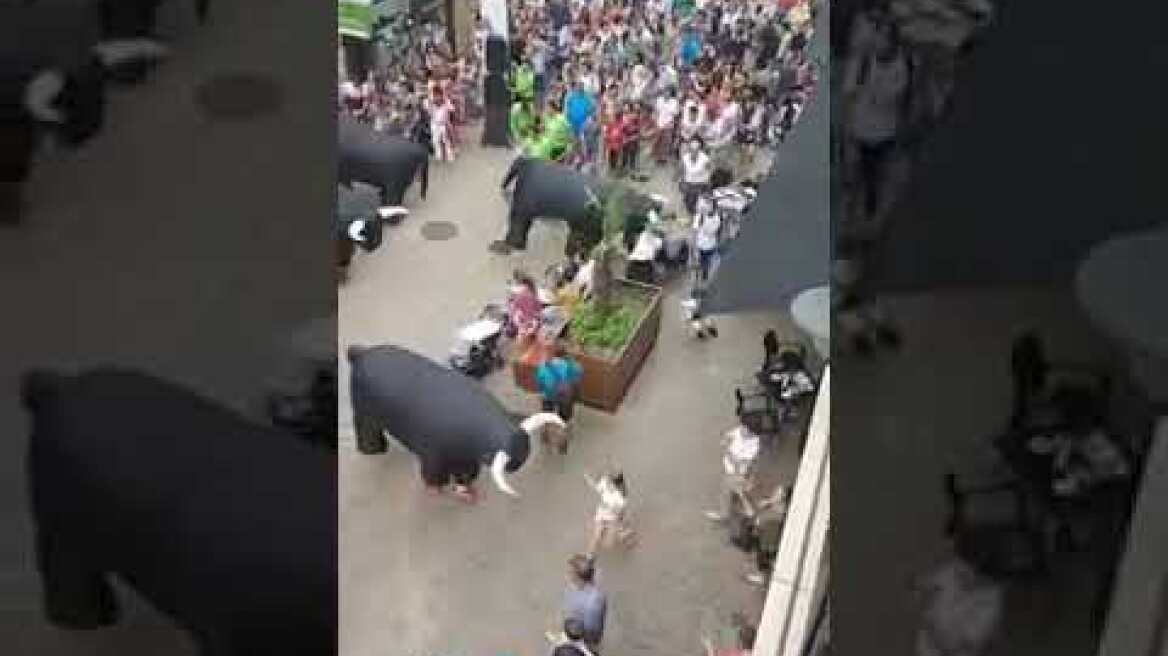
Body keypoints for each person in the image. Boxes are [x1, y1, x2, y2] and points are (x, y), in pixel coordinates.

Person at [705, 417, 761, 522]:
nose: (742, 429)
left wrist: (728, 452)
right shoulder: (739, 431)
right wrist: (725, 440)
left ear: (751, 431)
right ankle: (748, 510)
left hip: (737, 472)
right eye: (742, 427)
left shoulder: (754, 444)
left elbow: (743, 462)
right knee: (737, 490)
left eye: (745, 428)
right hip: (730, 468)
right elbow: (728, 435)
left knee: (727, 490)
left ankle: (724, 514)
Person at [534, 343, 583, 452]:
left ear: (553, 354)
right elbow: (578, 378)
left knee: (546, 416)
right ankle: (562, 444)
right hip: (565, 397)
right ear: (565, 353)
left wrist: (542, 392)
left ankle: (545, 435)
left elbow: (539, 381)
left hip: (548, 396)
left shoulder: (544, 365)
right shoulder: (573, 367)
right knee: (564, 421)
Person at [560, 554, 608, 653]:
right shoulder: (598, 594)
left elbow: (591, 633)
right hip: (580, 640)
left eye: (570, 572)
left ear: (576, 576)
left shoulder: (590, 603)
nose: (567, 575)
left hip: (582, 647)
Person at [585, 469, 636, 558]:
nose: (608, 483)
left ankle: (625, 535)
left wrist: (611, 509)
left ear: (616, 485)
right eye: (608, 478)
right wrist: (588, 479)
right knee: (597, 536)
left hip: (612, 517)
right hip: (601, 515)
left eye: (610, 482)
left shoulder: (620, 498)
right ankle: (589, 557)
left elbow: (619, 511)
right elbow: (597, 487)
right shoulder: (604, 483)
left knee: (608, 543)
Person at [691, 194, 722, 283]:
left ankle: (705, 274)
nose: (702, 207)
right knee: (697, 263)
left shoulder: (717, 218)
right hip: (699, 245)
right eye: (701, 204)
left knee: (706, 262)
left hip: (709, 246)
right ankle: (699, 275)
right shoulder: (699, 216)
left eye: (706, 205)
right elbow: (694, 232)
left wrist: (703, 220)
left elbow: (711, 232)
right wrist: (694, 248)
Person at [679, 137, 712, 215]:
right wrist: (682, 180)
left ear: (699, 150)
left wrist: (707, 182)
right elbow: (682, 170)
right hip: (688, 182)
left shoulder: (705, 159)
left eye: (696, 150)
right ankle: (689, 207)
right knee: (688, 199)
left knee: (696, 199)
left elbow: (708, 170)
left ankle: (695, 211)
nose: (693, 152)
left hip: (700, 183)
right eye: (692, 150)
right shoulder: (685, 158)